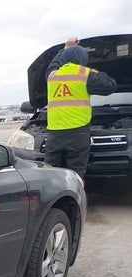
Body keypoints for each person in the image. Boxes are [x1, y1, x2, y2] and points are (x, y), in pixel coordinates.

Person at [44, 37, 117, 177]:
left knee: (51, 174)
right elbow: (111, 85)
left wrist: (65, 48)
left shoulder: (52, 76)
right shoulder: (85, 75)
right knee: (75, 175)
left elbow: (53, 65)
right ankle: (75, 191)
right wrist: (96, 73)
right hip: (78, 134)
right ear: (83, 59)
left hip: (54, 135)